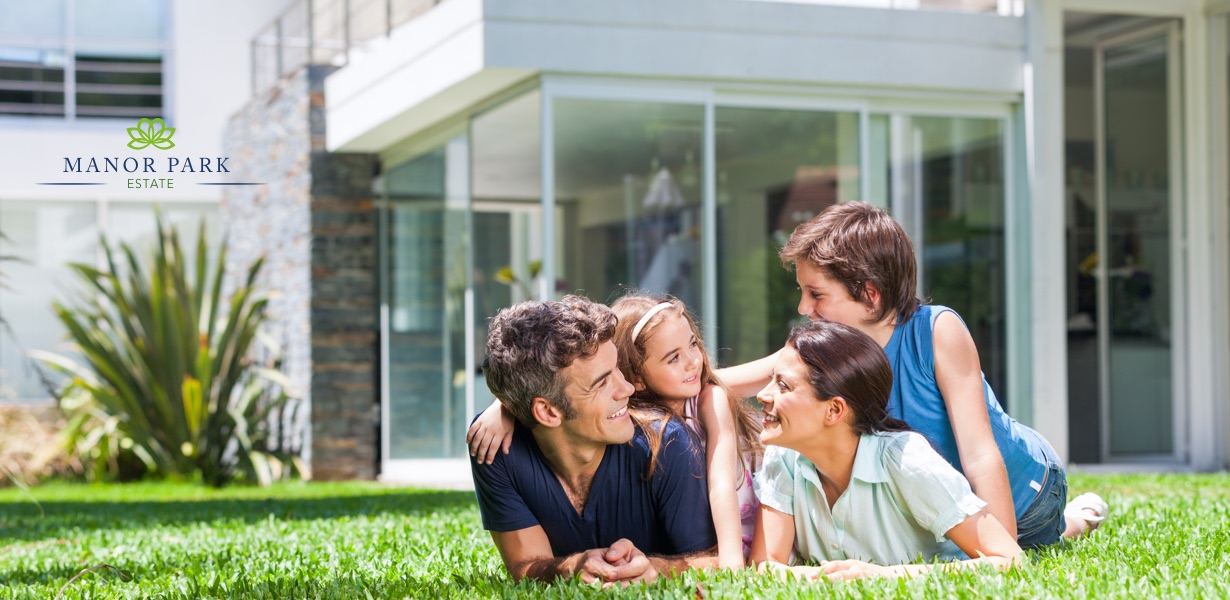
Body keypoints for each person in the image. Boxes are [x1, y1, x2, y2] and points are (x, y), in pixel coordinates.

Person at [724, 201, 1106, 550]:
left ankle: (1075, 519)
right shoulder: (830, 348)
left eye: (816, 294)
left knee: (1031, 540)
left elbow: (980, 454)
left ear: (870, 294)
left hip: (1026, 492)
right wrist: (672, 376)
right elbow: (741, 378)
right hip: (949, 501)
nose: (803, 306)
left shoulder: (936, 332)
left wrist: (1001, 548)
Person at [469, 293, 763, 569]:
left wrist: (659, 570)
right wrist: (505, 404)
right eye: (602, 382)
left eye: (618, 369)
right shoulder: (494, 444)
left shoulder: (672, 436)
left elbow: (715, 560)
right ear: (546, 411)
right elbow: (526, 567)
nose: (627, 389)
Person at [751, 320, 1024, 580]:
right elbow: (765, 564)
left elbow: (1010, 560)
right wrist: (815, 577)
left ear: (834, 410)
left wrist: (882, 576)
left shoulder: (907, 461)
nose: (763, 394)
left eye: (783, 385)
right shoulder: (784, 455)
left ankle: (1070, 520)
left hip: (1033, 498)